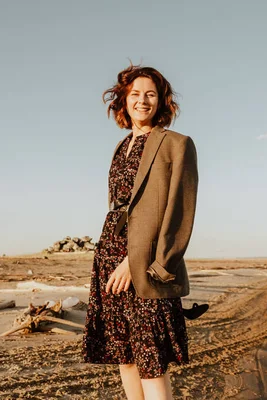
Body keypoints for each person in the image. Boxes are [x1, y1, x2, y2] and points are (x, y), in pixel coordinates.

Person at [82, 63, 199, 400]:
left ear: (162, 102)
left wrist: (136, 262)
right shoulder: (121, 147)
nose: (142, 100)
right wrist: (112, 256)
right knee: (126, 357)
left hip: (145, 265)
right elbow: (119, 208)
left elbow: (178, 214)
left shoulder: (177, 144)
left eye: (151, 94)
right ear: (124, 101)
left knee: (151, 361)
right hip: (109, 256)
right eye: (135, 94)